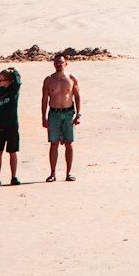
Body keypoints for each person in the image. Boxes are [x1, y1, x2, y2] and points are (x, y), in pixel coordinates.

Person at [42, 53, 81, 182]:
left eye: (61, 62)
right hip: (54, 113)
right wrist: (43, 116)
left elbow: (77, 96)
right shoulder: (49, 80)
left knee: (69, 143)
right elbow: (44, 99)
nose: (58, 65)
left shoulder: (71, 78)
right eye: (56, 62)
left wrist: (78, 114)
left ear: (66, 63)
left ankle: (68, 173)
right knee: (54, 143)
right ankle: (52, 173)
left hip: (68, 113)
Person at [0, 67, 21, 186]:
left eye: (1, 80)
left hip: (11, 126)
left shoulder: (13, 90)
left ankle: (14, 177)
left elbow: (18, 81)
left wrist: (14, 71)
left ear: (8, 80)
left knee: (12, 151)